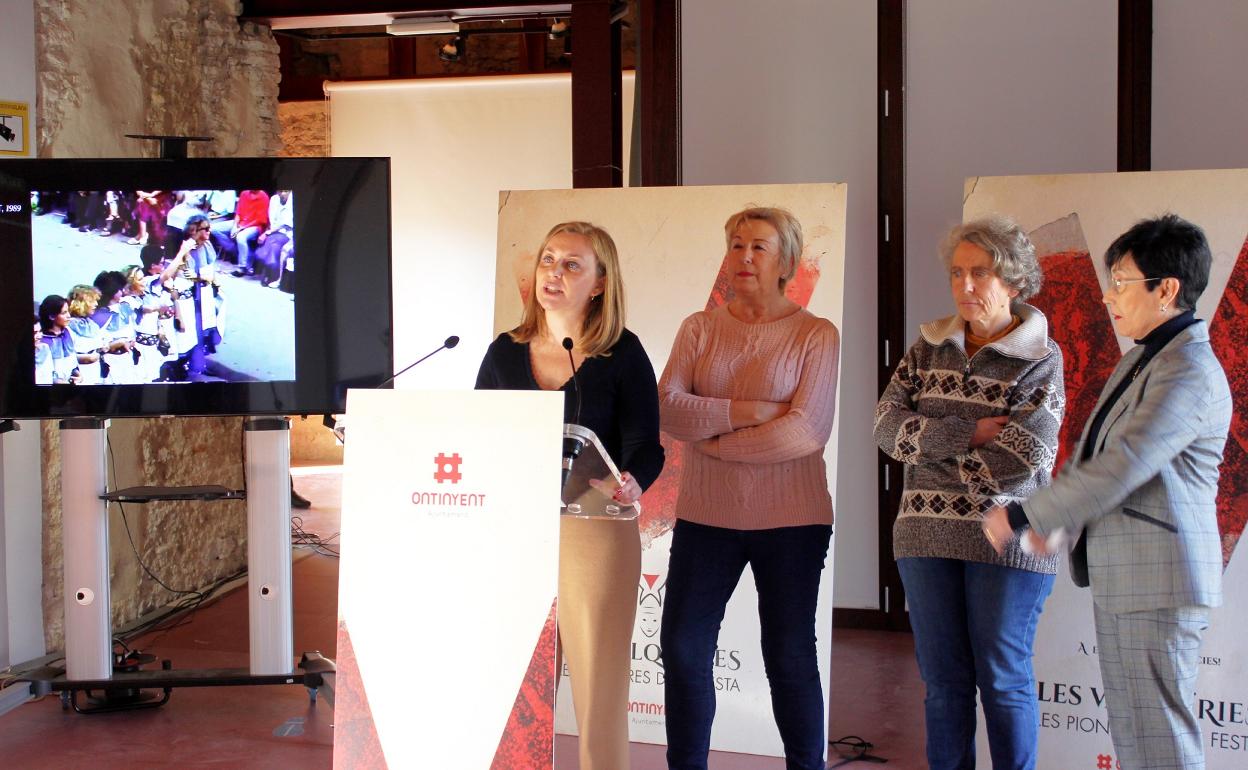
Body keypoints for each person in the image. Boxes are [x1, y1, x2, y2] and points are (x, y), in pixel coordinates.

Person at [983, 214, 1231, 770]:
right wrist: (1063, 520)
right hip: (1132, 578)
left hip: (1160, 580)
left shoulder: (1188, 368)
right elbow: (1099, 454)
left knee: (1161, 741)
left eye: (1121, 281)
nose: (1107, 295)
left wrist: (1026, 514)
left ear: (1166, 289)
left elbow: (1127, 462)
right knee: (1137, 739)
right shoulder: (1145, 357)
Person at [874, 215, 1065, 770]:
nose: (965, 285)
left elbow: (1022, 458)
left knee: (1003, 679)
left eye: (980, 273)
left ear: (1014, 280)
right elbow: (885, 429)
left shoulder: (1041, 357)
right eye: (957, 273)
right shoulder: (927, 347)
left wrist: (930, 449)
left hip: (1007, 539)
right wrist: (969, 432)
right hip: (923, 537)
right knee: (944, 684)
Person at [475, 221, 664, 770]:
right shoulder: (504, 352)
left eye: (571, 265)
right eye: (548, 259)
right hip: (517, 529)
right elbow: (478, 435)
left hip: (595, 529)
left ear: (600, 284)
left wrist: (632, 480)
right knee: (517, 683)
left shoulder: (622, 353)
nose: (553, 273)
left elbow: (646, 448)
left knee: (598, 689)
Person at [658, 207, 840, 770]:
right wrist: (748, 411)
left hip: (792, 521)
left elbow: (806, 430)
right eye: (736, 244)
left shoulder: (816, 334)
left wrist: (716, 444)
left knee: (788, 655)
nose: (744, 256)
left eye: (759, 246)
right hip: (706, 517)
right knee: (683, 648)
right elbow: (670, 409)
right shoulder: (699, 328)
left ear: (787, 262)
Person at [38, 295, 80, 384]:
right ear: (52, 316)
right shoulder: (42, 341)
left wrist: (77, 374)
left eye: (68, 311)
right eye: (64, 313)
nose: (68, 316)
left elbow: (73, 361)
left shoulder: (68, 332)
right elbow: (42, 374)